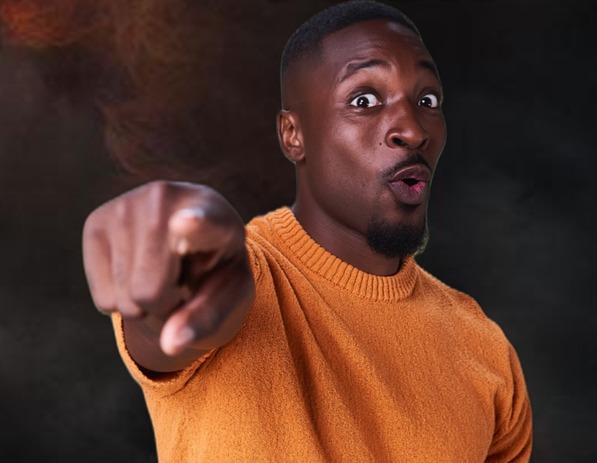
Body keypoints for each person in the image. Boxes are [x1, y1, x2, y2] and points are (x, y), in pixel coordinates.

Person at [82, 1, 533, 461]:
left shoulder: (485, 347)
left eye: (427, 101)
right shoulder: (245, 273)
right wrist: (178, 254)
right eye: (364, 100)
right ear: (293, 135)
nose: (412, 130)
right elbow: (176, 311)